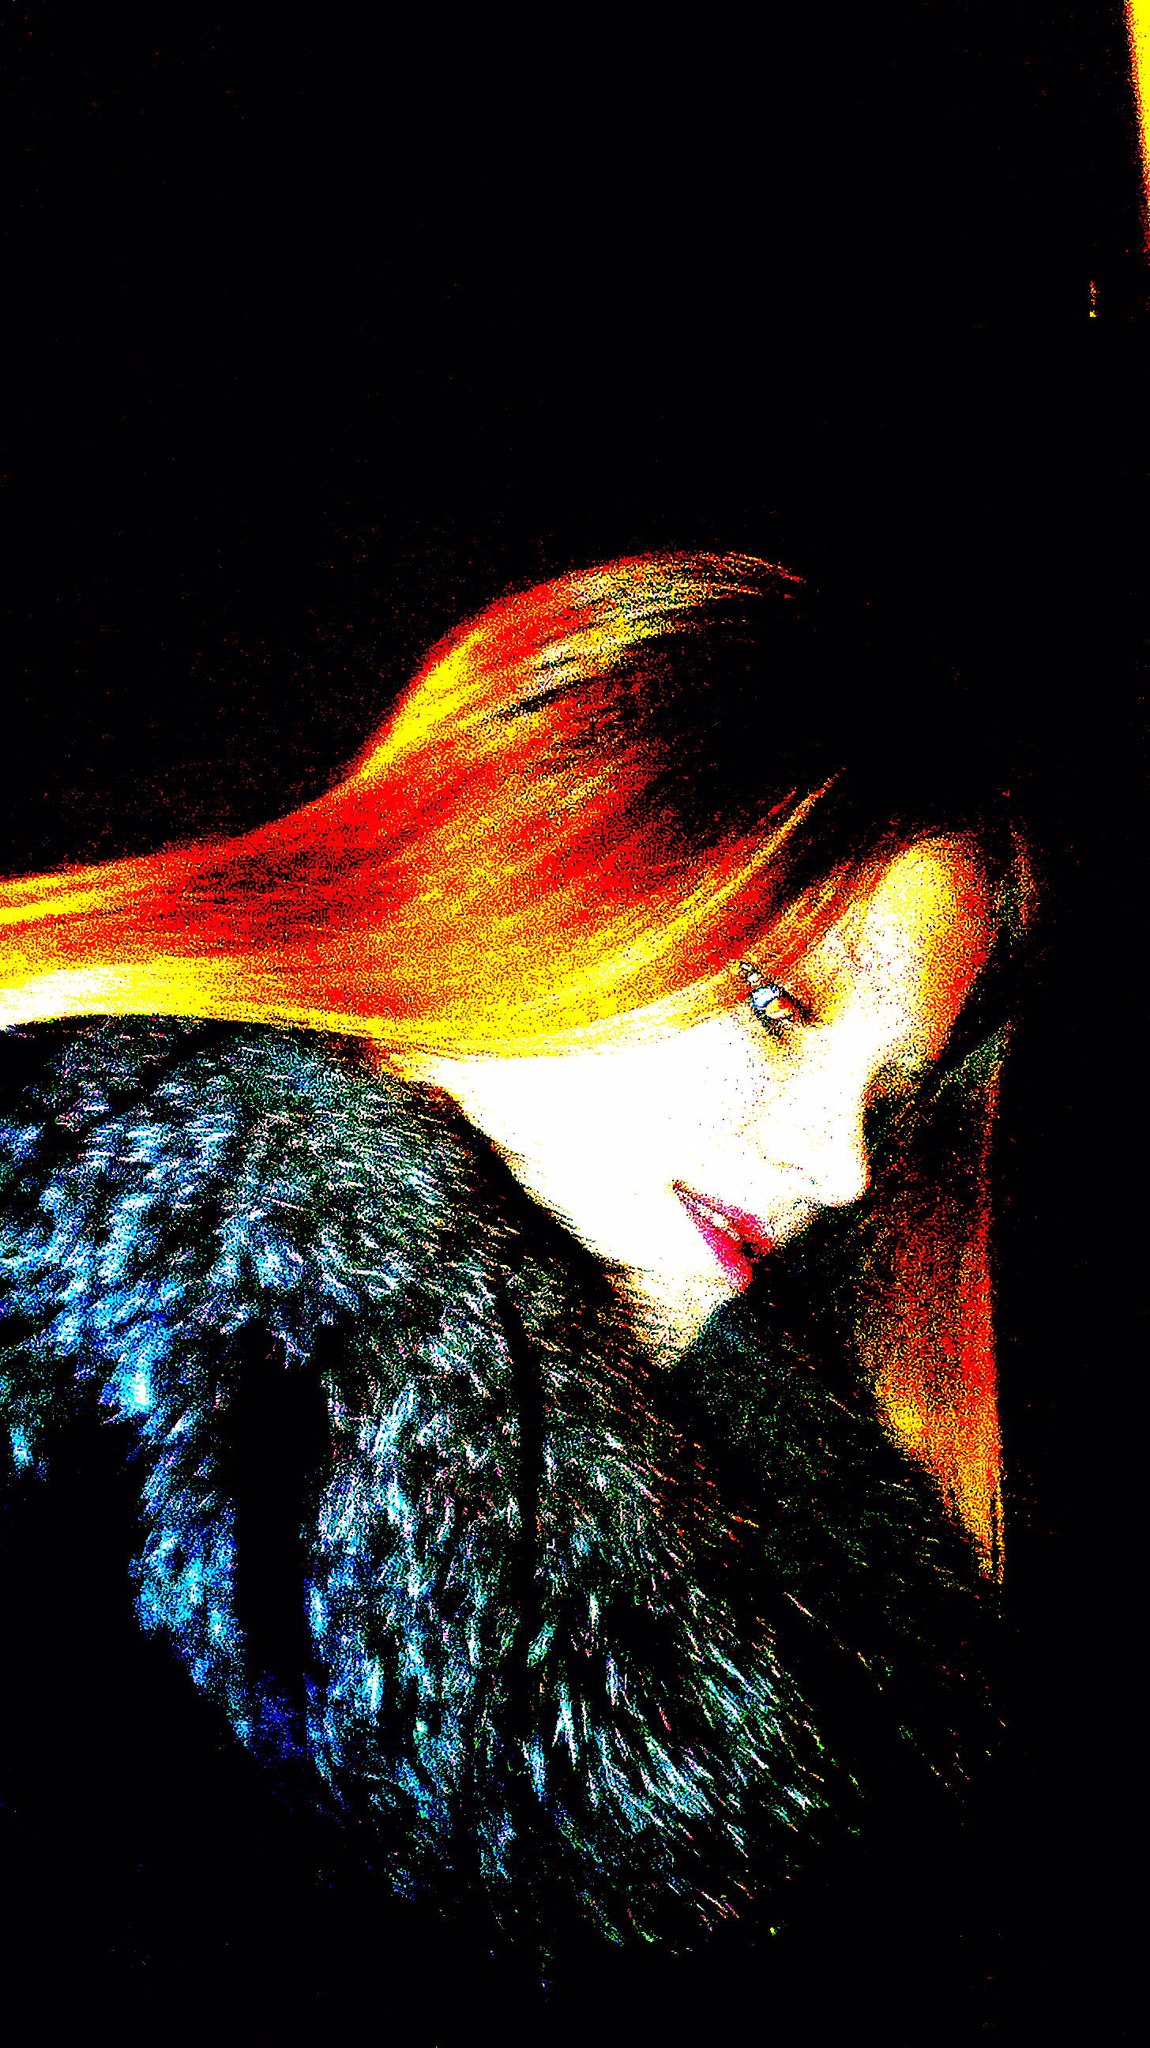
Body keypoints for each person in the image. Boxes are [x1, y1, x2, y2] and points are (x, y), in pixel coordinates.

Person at [0, 552, 1032, 2015]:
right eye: (779, 1003)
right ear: (522, 864)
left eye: (887, 1097)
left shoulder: (788, 1603)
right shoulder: (73, 1428)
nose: (841, 1166)